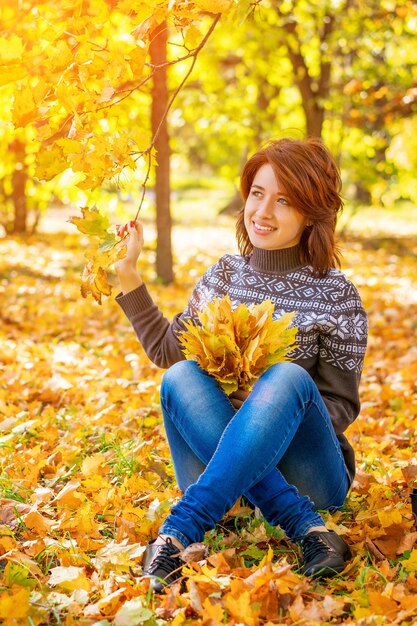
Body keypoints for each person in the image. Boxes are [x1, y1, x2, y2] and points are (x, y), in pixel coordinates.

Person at [115, 137, 368, 592]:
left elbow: (341, 406)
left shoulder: (337, 295)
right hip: (224, 474)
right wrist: (130, 274)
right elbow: (168, 351)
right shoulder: (224, 276)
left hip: (309, 473)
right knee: (180, 376)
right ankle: (305, 529)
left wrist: (270, 408)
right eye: (257, 193)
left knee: (287, 377)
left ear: (311, 211)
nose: (263, 211)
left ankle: (180, 531)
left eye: (284, 200)